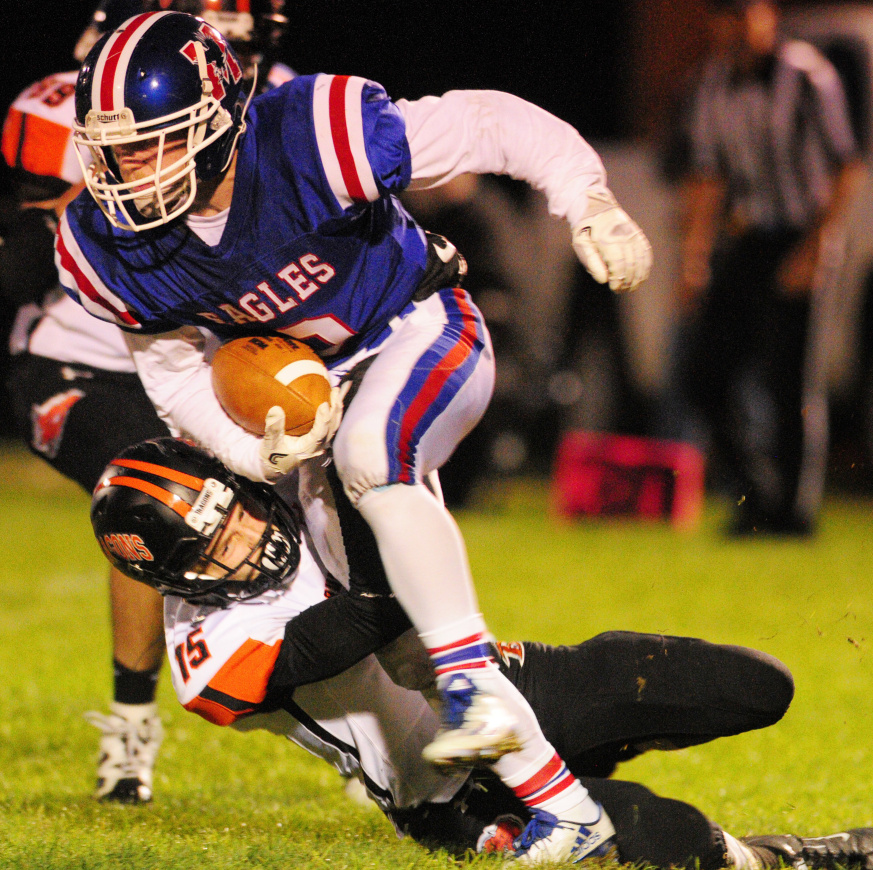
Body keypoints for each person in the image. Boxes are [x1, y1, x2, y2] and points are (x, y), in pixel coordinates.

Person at [57, 10, 653, 861]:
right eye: (114, 150)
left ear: (221, 122)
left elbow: (490, 121)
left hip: (417, 326)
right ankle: (563, 806)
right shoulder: (104, 244)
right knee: (401, 643)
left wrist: (583, 195)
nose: (130, 174)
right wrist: (248, 454)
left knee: (373, 456)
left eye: (156, 142)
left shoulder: (313, 134)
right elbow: (176, 377)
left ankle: (472, 687)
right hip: (319, 391)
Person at [88, 436, 873, 870]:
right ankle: (785, 859)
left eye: (235, 510)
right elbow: (368, 615)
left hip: (501, 682)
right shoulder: (207, 647)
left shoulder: (270, 487)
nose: (249, 534)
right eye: (218, 544)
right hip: (445, 782)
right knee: (658, 838)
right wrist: (356, 456)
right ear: (171, 575)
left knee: (750, 685)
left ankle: (604, 743)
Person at [0, 0, 294, 804]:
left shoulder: (286, 107)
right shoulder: (91, 100)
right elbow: (23, 255)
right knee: (151, 486)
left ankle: (367, 705)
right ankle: (132, 733)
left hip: (207, 362)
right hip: (82, 363)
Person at [675, 0, 865, 537]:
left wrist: (815, 248)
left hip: (803, 235)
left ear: (768, 17)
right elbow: (708, 177)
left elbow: (847, 167)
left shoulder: (806, 75)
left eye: (744, 14)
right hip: (750, 238)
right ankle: (756, 495)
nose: (734, 28)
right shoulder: (711, 84)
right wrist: (694, 260)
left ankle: (792, 513)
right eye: (724, 16)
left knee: (790, 382)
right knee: (704, 377)